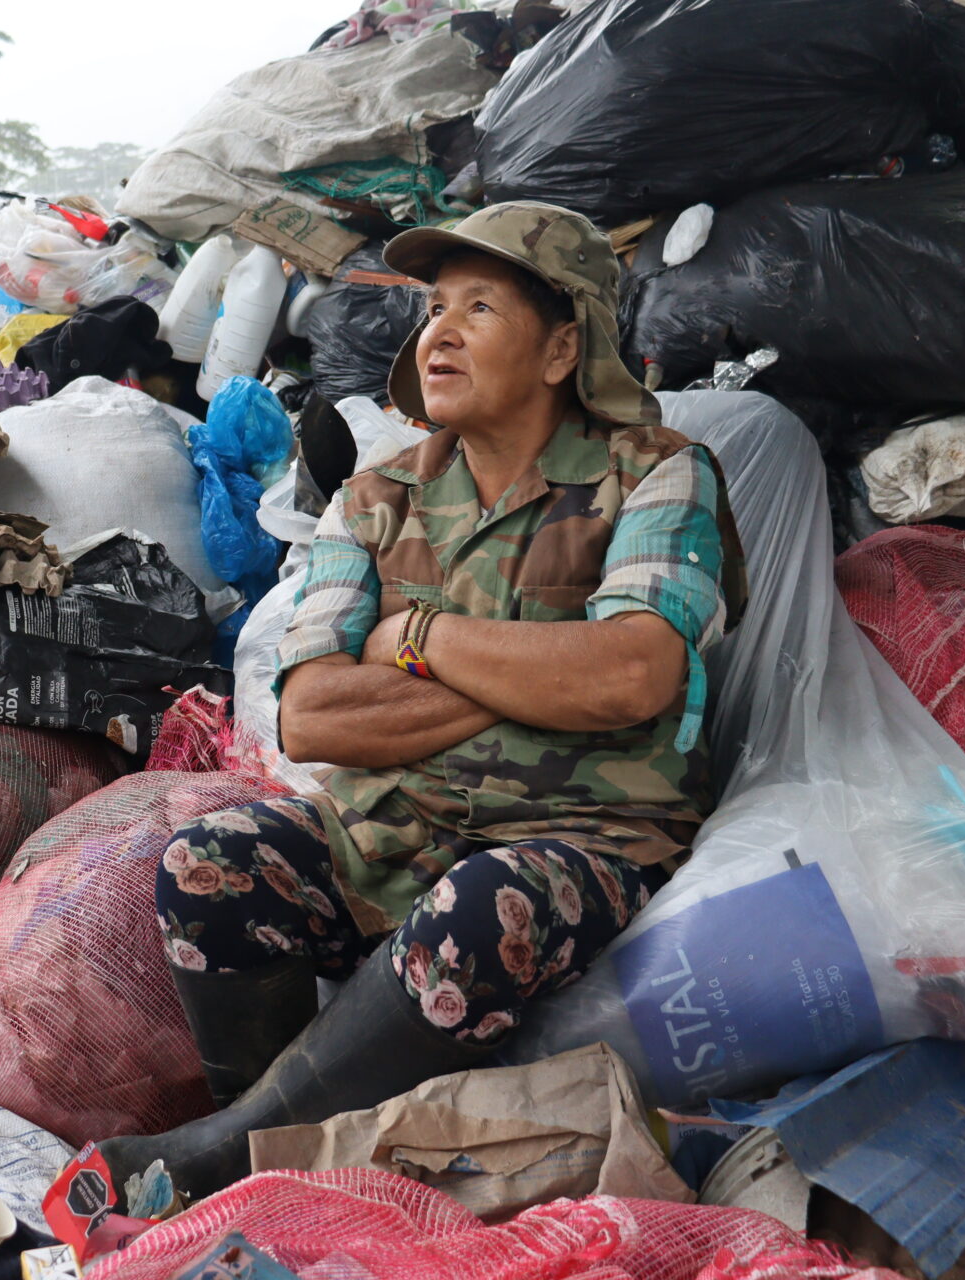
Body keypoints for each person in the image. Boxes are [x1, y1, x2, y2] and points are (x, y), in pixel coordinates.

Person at [100, 202, 748, 1200]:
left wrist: (420, 640)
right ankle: (274, 1142)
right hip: (389, 829)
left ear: (562, 346)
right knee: (207, 863)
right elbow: (311, 713)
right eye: (434, 308)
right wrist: (538, 682)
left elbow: (632, 674)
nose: (437, 332)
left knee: (480, 909)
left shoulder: (657, 474)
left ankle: (231, 1155)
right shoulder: (376, 497)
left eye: (479, 307)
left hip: (587, 835)